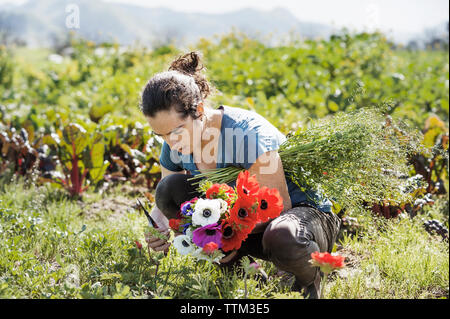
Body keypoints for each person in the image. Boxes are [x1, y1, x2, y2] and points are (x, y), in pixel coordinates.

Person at [139, 51, 341, 299]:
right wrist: (159, 224)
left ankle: (307, 280)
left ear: (199, 110)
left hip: (301, 220)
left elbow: (279, 206)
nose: (171, 142)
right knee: (170, 190)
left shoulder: (246, 135)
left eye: (177, 131)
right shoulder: (175, 143)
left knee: (283, 236)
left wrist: (223, 233)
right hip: (244, 223)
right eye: (162, 135)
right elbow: (167, 196)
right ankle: (244, 274)